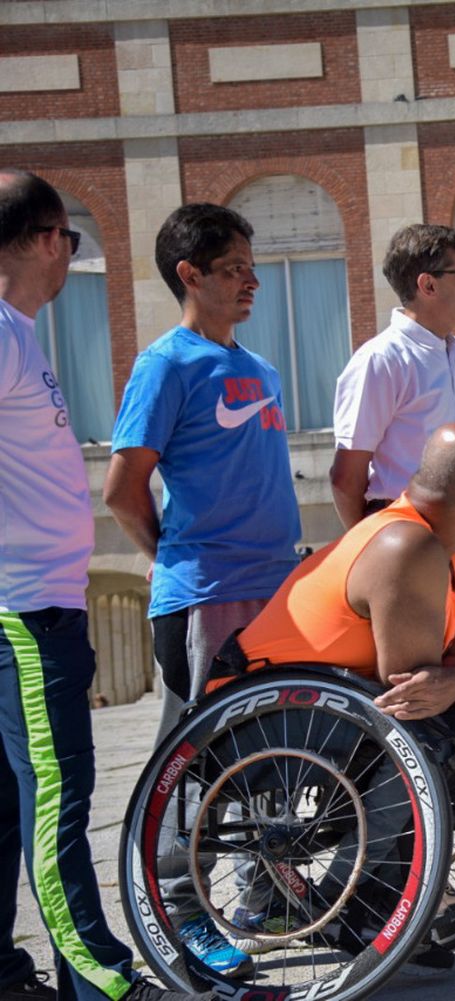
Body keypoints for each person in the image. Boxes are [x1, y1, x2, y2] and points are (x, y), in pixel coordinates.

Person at [229, 423, 455, 962]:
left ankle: (385, 900)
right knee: (427, 747)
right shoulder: (404, 543)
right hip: (259, 714)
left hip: (336, 703)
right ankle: (348, 901)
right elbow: (410, 691)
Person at [0, 169, 212, 1001]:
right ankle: (105, 983)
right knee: (58, 804)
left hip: (37, 602)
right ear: (48, 239)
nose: (69, 260)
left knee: (14, 806)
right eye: (71, 242)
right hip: (25, 608)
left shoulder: (20, 334)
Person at [104, 204, 302, 975]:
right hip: (204, 595)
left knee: (276, 754)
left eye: (252, 266)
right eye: (233, 269)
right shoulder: (167, 364)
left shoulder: (262, 366)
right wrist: (168, 557)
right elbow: (124, 489)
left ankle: (271, 894)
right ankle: (181, 916)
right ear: (190, 275)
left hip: (273, 590)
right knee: (191, 768)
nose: (252, 281)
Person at [329, 224, 455, 697]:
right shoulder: (380, 360)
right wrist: (374, 557)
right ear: (426, 284)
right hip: (409, 550)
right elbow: (347, 474)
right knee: (421, 691)